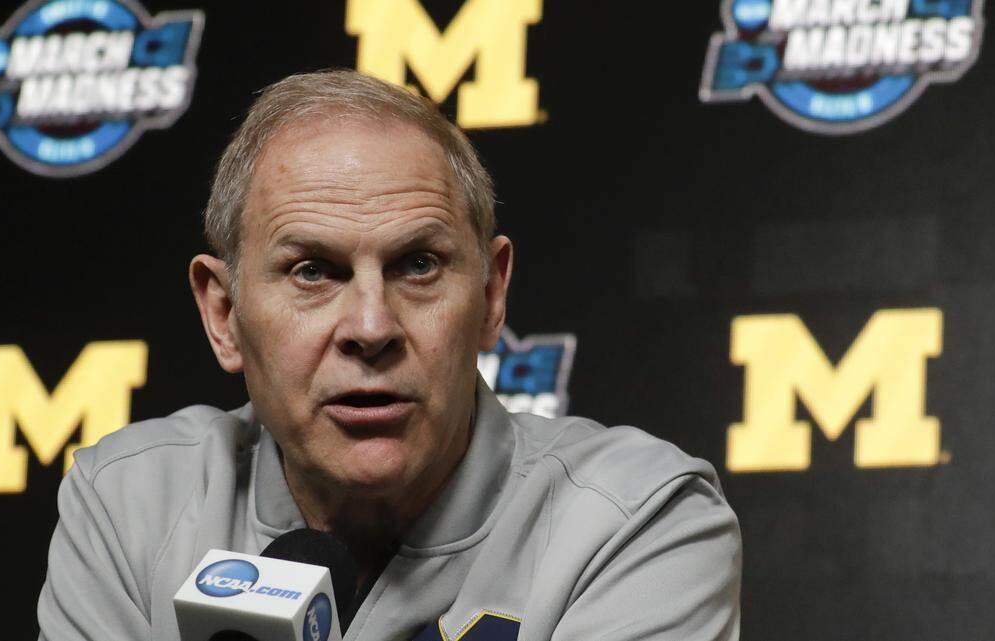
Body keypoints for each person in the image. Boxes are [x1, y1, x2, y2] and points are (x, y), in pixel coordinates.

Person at [37, 69, 741, 641]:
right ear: (223, 314)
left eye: (418, 265)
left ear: (493, 294)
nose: (371, 326)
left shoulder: (634, 522)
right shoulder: (129, 508)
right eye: (313, 270)